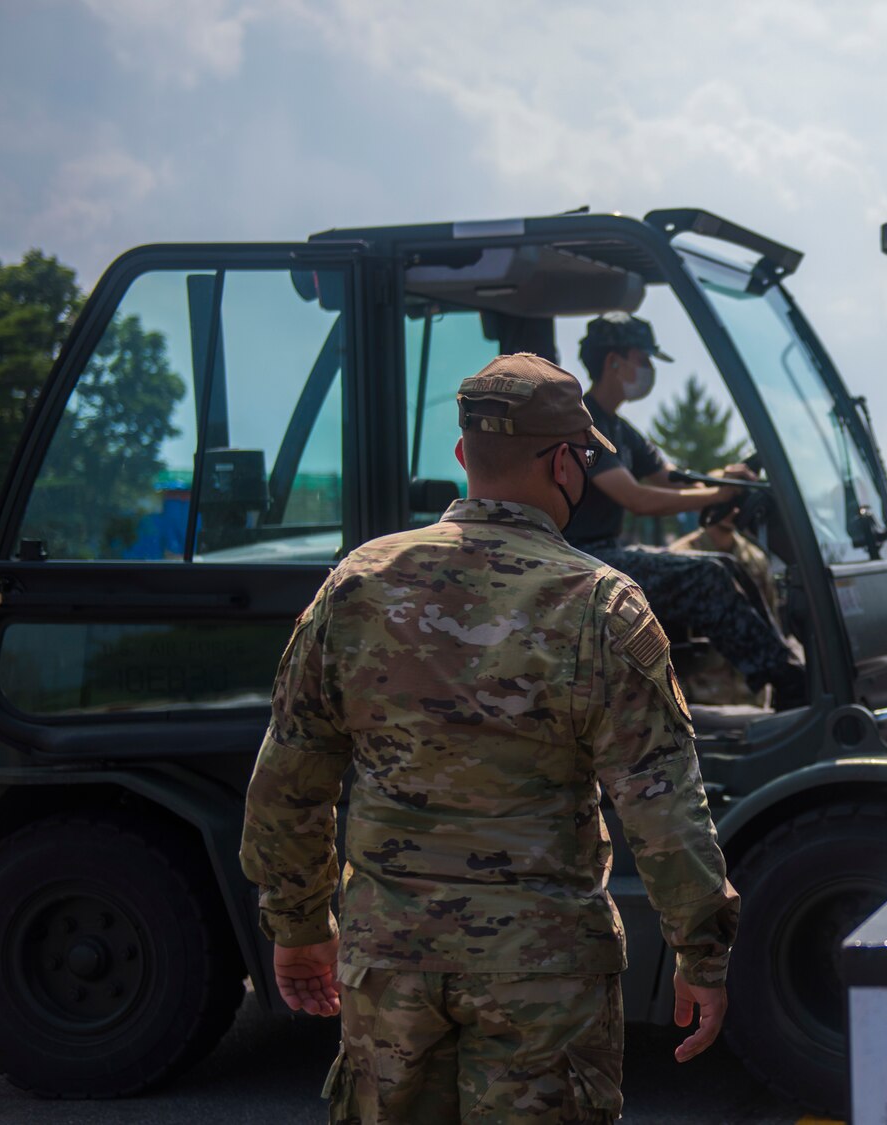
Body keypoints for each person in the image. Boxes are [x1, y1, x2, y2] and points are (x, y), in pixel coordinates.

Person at [239, 353, 740, 1124]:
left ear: (465, 455)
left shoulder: (356, 585)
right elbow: (663, 808)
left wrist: (301, 927)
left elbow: (287, 784)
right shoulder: (599, 603)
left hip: (389, 968)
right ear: (567, 460)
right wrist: (700, 952)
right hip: (542, 979)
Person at [566, 312, 805, 707]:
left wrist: (725, 482)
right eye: (643, 360)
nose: (648, 370)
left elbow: (670, 478)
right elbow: (637, 499)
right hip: (582, 561)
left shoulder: (620, 428)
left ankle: (785, 672)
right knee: (705, 575)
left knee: (726, 567)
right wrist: (715, 496)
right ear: (614, 362)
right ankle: (789, 685)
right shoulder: (585, 425)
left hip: (604, 557)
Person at [669, 507, 779, 706]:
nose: (733, 511)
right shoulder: (682, 556)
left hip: (749, 690)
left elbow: (771, 616)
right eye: (723, 504)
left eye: (737, 504)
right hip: (702, 690)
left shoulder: (755, 558)